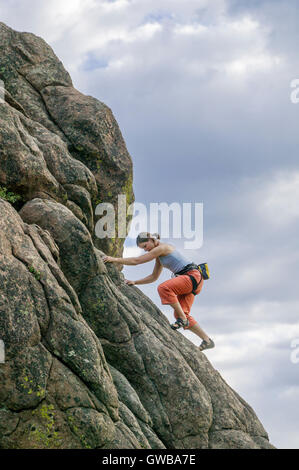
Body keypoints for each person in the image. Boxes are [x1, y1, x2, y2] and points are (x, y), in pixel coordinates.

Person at [102, 232, 215, 351]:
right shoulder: (159, 257)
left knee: (164, 288)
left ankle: (182, 319)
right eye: (143, 249)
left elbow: (137, 260)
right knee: (180, 313)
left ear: (151, 239)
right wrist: (135, 282)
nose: (146, 250)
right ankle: (207, 340)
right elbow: (154, 277)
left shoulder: (162, 248)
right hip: (194, 281)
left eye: (145, 246)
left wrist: (113, 259)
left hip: (192, 276)